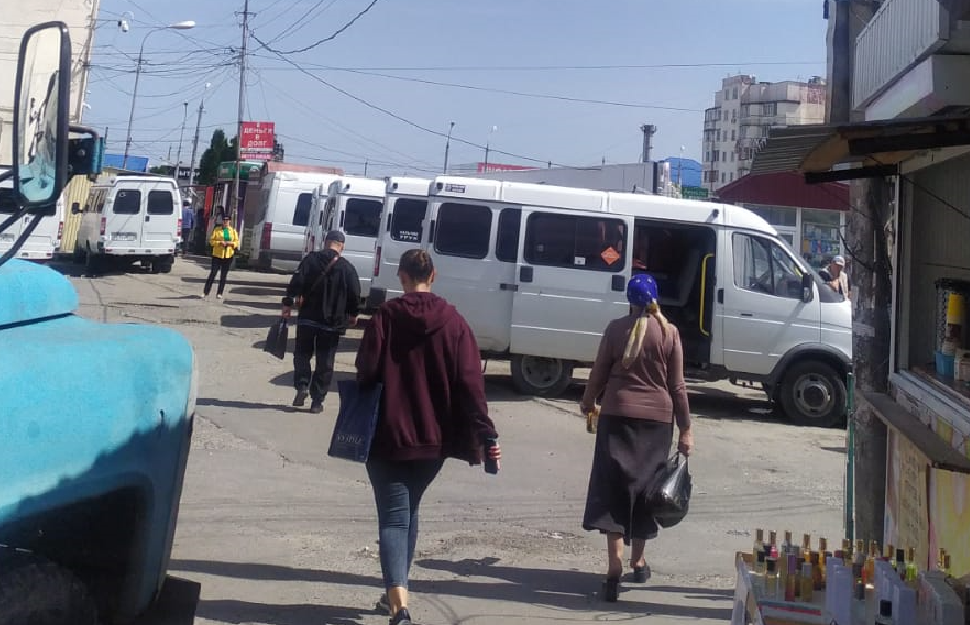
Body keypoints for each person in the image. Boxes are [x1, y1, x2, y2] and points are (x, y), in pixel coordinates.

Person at [356, 249, 501, 625]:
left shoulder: (385, 317)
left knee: (394, 518)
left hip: (386, 434)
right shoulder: (454, 323)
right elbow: (471, 383)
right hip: (434, 439)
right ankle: (396, 590)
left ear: (402, 277)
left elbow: (366, 370)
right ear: (433, 276)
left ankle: (399, 608)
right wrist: (486, 432)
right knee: (409, 510)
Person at [580, 273, 693, 603]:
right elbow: (678, 387)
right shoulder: (669, 333)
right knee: (646, 491)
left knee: (613, 489)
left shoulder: (616, 329)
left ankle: (614, 565)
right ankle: (638, 562)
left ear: (629, 300)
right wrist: (686, 429)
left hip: (616, 416)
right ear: (656, 298)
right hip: (656, 424)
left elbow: (599, 373)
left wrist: (588, 402)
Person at [282, 230, 360, 413]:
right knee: (325, 361)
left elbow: (296, 282)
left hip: (308, 318)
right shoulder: (347, 267)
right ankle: (317, 401)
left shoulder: (310, 260)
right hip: (332, 323)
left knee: (302, 354)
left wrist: (287, 303)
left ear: (325, 242)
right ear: (342, 246)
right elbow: (354, 293)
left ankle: (302, 386)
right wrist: (353, 314)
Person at [203, 212, 238, 300]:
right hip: (217, 255)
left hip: (228, 255)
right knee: (213, 273)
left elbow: (237, 242)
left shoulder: (232, 231)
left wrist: (231, 243)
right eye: (224, 220)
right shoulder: (217, 229)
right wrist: (219, 243)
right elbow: (212, 241)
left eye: (227, 220)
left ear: (230, 221)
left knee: (223, 275)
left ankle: (220, 292)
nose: (225, 222)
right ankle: (206, 291)